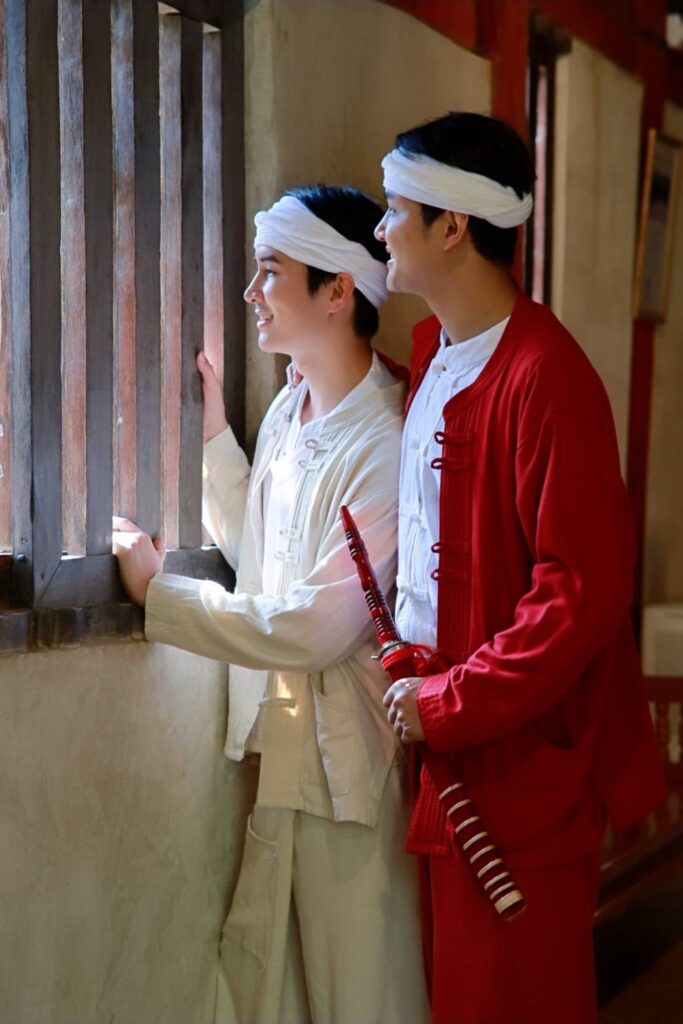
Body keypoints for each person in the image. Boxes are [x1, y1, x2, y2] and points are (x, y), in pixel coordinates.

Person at [113, 184, 429, 1024]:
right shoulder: (292, 406)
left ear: (337, 291)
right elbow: (263, 552)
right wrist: (213, 434)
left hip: (344, 771)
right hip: (281, 758)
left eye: (269, 271)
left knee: (357, 997)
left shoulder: (385, 439)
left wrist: (161, 595)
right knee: (265, 989)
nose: (252, 292)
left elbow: (316, 626)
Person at [376, 112, 666, 1024]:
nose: (382, 229)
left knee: (515, 999)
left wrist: (449, 702)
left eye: (396, 210)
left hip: (516, 763)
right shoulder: (434, 353)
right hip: (443, 743)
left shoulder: (547, 378)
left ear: (452, 226)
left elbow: (577, 597)